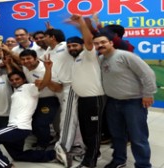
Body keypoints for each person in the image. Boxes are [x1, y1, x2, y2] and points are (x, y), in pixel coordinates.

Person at [0, 52, 56, 168]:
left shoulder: (30, 88)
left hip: (18, 128)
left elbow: (45, 83)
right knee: (18, 155)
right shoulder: (16, 90)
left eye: (17, 79)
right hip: (16, 128)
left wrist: (48, 69)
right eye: (12, 80)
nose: (14, 81)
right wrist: (8, 65)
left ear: (24, 80)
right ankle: (53, 155)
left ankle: (5, 166)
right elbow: (11, 76)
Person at [93, 32, 156, 168]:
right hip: (112, 102)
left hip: (133, 102)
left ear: (111, 43)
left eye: (103, 42)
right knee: (117, 135)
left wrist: (148, 93)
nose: (100, 45)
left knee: (138, 137)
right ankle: (119, 160)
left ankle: (143, 165)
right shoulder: (101, 59)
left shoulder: (125, 56)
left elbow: (147, 73)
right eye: (96, 43)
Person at [67, 14, 106, 168]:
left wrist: (81, 22)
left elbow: (88, 39)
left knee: (92, 132)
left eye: (75, 45)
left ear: (82, 45)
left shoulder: (88, 53)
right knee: (85, 131)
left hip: (94, 99)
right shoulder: (76, 59)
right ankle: (93, 153)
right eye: (69, 46)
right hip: (82, 99)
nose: (71, 48)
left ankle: (90, 162)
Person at [43, 28, 84, 167]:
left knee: (67, 118)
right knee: (71, 118)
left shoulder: (65, 46)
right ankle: (78, 145)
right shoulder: (48, 51)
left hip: (71, 85)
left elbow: (79, 48)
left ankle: (62, 148)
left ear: (52, 37)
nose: (42, 39)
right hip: (58, 87)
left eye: (45, 36)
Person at [19, 49, 59, 150]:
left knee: (41, 123)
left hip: (49, 98)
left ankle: (43, 145)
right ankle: (46, 139)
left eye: (28, 58)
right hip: (35, 98)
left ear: (36, 58)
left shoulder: (45, 69)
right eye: (23, 59)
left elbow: (54, 86)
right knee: (32, 122)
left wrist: (44, 81)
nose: (26, 61)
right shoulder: (25, 67)